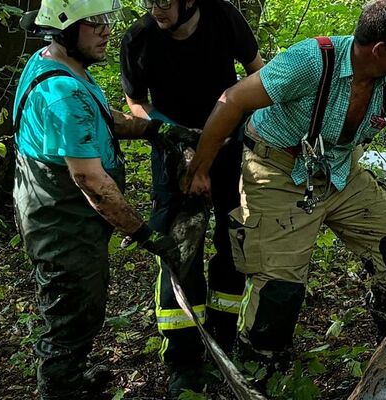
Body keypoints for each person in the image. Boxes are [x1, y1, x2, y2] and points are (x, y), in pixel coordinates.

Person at [180, 0, 386, 384]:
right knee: (278, 294)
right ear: (378, 49)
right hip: (277, 173)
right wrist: (200, 166)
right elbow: (233, 99)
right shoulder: (312, 60)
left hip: (339, 171)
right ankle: (258, 371)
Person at [14, 0, 197, 397]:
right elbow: (92, 182)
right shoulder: (62, 93)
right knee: (73, 310)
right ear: (64, 30)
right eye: (94, 23)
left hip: (59, 210)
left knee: (81, 302)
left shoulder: (58, 65)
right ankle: (61, 388)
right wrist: (148, 235)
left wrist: (153, 131)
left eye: (108, 20)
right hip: (61, 219)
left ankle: (71, 377)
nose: (106, 30)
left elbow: (96, 113)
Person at [119, 0, 263, 394]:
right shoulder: (139, 38)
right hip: (172, 153)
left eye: (164, 2)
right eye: (149, 2)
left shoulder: (224, 17)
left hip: (229, 147)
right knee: (180, 247)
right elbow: (136, 101)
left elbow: (259, 73)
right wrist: (174, 140)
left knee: (234, 239)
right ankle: (183, 358)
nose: (156, 10)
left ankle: (224, 334)